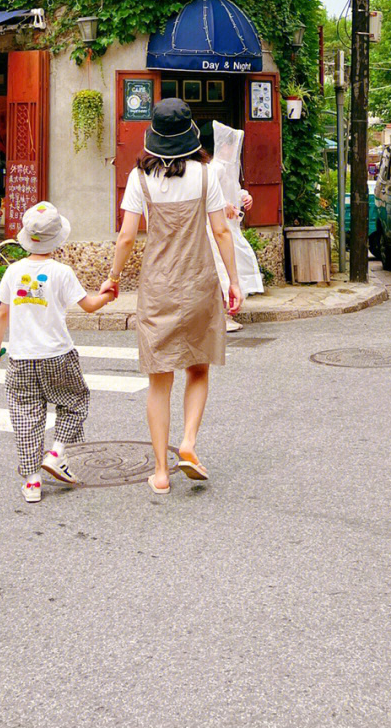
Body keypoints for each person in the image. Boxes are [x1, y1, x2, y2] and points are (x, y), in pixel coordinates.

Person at [102, 98, 241, 495]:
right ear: (189, 136)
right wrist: (233, 281)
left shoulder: (138, 179)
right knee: (198, 369)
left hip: (158, 287)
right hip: (198, 282)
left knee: (158, 381)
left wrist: (112, 278)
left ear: (155, 138)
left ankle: (161, 473)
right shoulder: (204, 175)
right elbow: (221, 232)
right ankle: (189, 444)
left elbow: (127, 236)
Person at [0, 201, 117, 503]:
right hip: (58, 355)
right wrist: (107, 294)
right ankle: (56, 452)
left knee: (26, 417)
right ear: (57, 240)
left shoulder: (13, 271)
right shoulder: (62, 272)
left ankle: (33, 482)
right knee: (75, 402)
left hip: (20, 358)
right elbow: (88, 306)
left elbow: (2, 314)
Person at [199, 120, 266, 332]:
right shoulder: (214, 168)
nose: (232, 149)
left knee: (237, 264)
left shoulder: (227, 168)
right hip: (216, 227)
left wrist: (245, 197)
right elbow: (207, 195)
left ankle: (229, 311)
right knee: (221, 269)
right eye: (229, 145)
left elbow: (234, 190)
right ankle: (222, 315)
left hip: (231, 226)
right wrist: (224, 204)